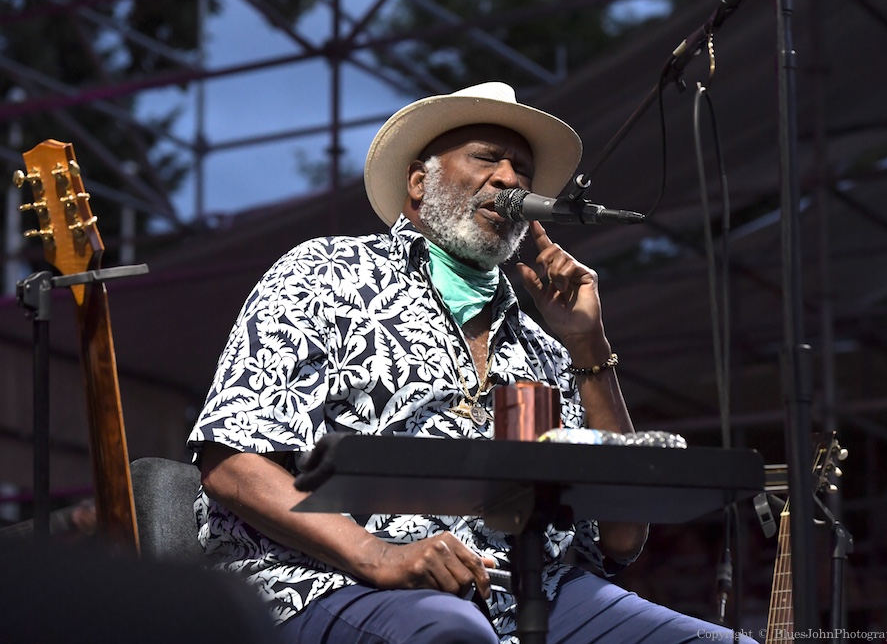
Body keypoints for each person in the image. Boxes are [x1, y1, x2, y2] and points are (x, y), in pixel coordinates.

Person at [187, 82, 755, 643]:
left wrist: (588, 346)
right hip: (335, 580)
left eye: (522, 170)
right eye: (487, 158)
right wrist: (377, 554)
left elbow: (621, 537)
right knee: (451, 634)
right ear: (419, 181)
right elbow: (231, 462)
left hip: (531, 594)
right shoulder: (325, 273)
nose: (510, 179)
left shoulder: (544, 347)